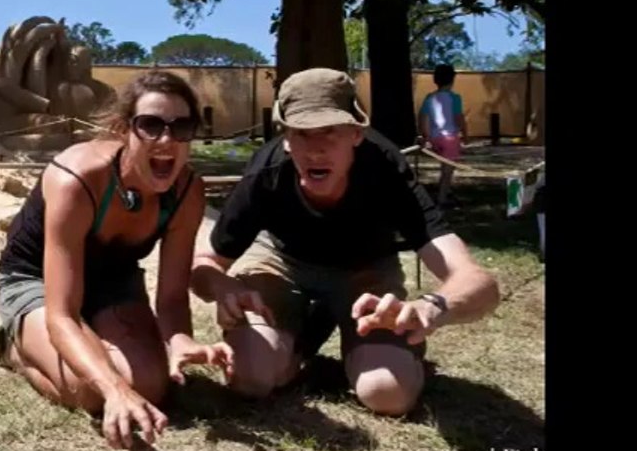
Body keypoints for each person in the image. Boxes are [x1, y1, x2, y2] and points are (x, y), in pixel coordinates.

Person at [190, 68, 500, 416]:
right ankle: (303, 340)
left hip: (365, 272)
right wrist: (222, 286)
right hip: (281, 262)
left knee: (387, 395)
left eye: (330, 131)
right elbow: (207, 264)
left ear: (356, 132)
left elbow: (479, 282)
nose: (317, 148)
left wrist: (431, 309)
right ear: (287, 139)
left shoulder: (385, 169)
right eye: (302, 133)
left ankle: (383, 349)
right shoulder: (265, 174)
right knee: (250, 379)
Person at [0, 70, 223, 449]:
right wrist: (114, 388)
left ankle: (90, 345)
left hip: (114, 280)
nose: (167, 140)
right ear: (122, 129)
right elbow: (62, 313)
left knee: (151, 385)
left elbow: (171, 297)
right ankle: (16, 350)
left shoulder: (187, 191)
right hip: (37, 280)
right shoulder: (77, 179)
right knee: (90, 390)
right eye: (150, 125)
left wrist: (180, 340)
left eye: (182, 127)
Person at [419, 64, 467, 206]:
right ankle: (441, 200)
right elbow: (459, 118)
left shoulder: (429, 98)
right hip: (450, 138)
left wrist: (427, 137)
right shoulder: (455, 98)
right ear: (452, 80)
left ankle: (446, 192)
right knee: (448, 171)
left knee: (443, 167)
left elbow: (423, 118)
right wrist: (465, 135)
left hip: (435, 138)